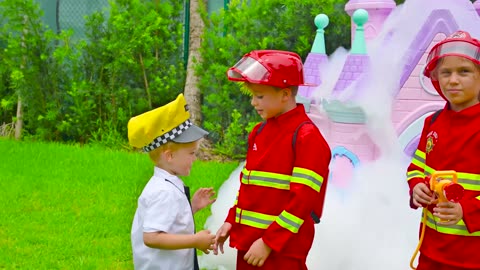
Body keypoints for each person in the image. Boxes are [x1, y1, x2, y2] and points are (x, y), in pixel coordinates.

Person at [213, 50, 332, 269]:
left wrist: (269, 242)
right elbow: (249, 188)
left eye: (259, 96)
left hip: (282, 252)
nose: (253, 102)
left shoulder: (307, 137)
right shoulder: (258, 132)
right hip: (248, 245)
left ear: (285, 95)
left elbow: (302, 202)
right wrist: (231, 220)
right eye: (253, 96)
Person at [407, 30, 480, 270]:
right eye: (445, 73)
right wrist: (416, 185)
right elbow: (416, 167)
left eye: (464, 71)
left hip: (472, 258)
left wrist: (467, 209)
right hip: (430, 252)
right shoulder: (433, 122)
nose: (453, 80)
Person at [128, 93, 216, 270]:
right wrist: (195, 240)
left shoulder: (167, 184)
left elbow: (169, 221)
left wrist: (192, 207)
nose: (195, 159)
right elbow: (152, 237)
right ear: (169, 156)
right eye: (191, 153)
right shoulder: (163, 192)